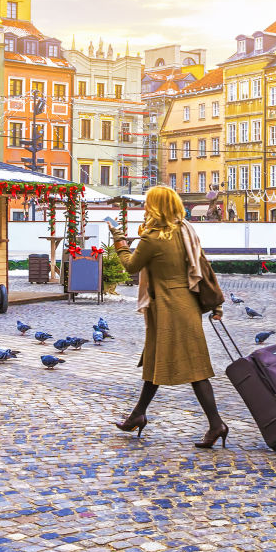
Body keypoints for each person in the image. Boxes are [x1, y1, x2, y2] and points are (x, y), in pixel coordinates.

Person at [110, 186, 228, 448]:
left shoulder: (152, 238)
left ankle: (216, 423)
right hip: (185, 304)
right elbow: (204, 267)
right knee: (155, 360)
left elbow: (131, 266)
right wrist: (216, 303)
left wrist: (119, 241)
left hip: (167, 306)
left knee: (195, 369)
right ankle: (138, 414)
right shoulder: (186, 231)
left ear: (155, 207)